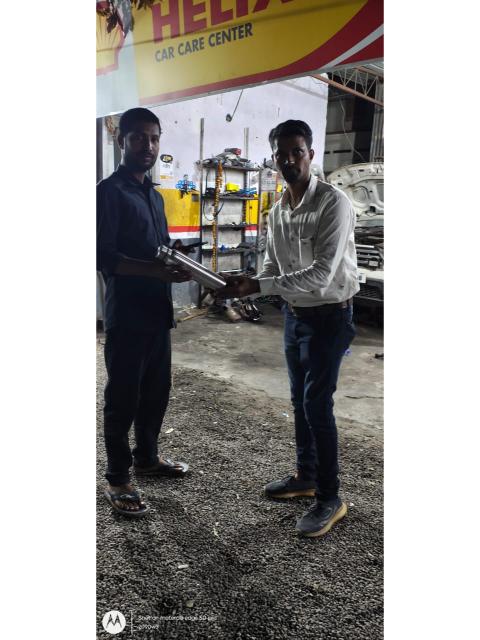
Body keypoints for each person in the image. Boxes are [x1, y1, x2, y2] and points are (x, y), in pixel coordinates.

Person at [218, 120, 359, 537]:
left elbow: (321, 274)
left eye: (297, 151)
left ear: (310, 154)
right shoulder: (276, 211)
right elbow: (271, 265)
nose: (289, 160)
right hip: (296, 318)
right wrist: (248, 284)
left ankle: (330, 497)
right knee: (299, 401)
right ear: (274, 158)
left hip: (330, 316)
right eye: (281, 153)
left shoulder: (334, 204)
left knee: (317, 404)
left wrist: (259, 286)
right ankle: (306, 476)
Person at [97, 107, 192, 518]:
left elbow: (159, 249)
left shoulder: (154, 196)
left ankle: (148, 458)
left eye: (154, 138)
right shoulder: (108, 192)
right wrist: (154, 270)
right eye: (139, 137)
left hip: (157, 312)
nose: (148, 146)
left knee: (156, 392)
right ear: (122, 140)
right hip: (128, 315)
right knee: (123, 397)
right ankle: (118, 477)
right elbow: (102, 256)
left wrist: (176, 257)